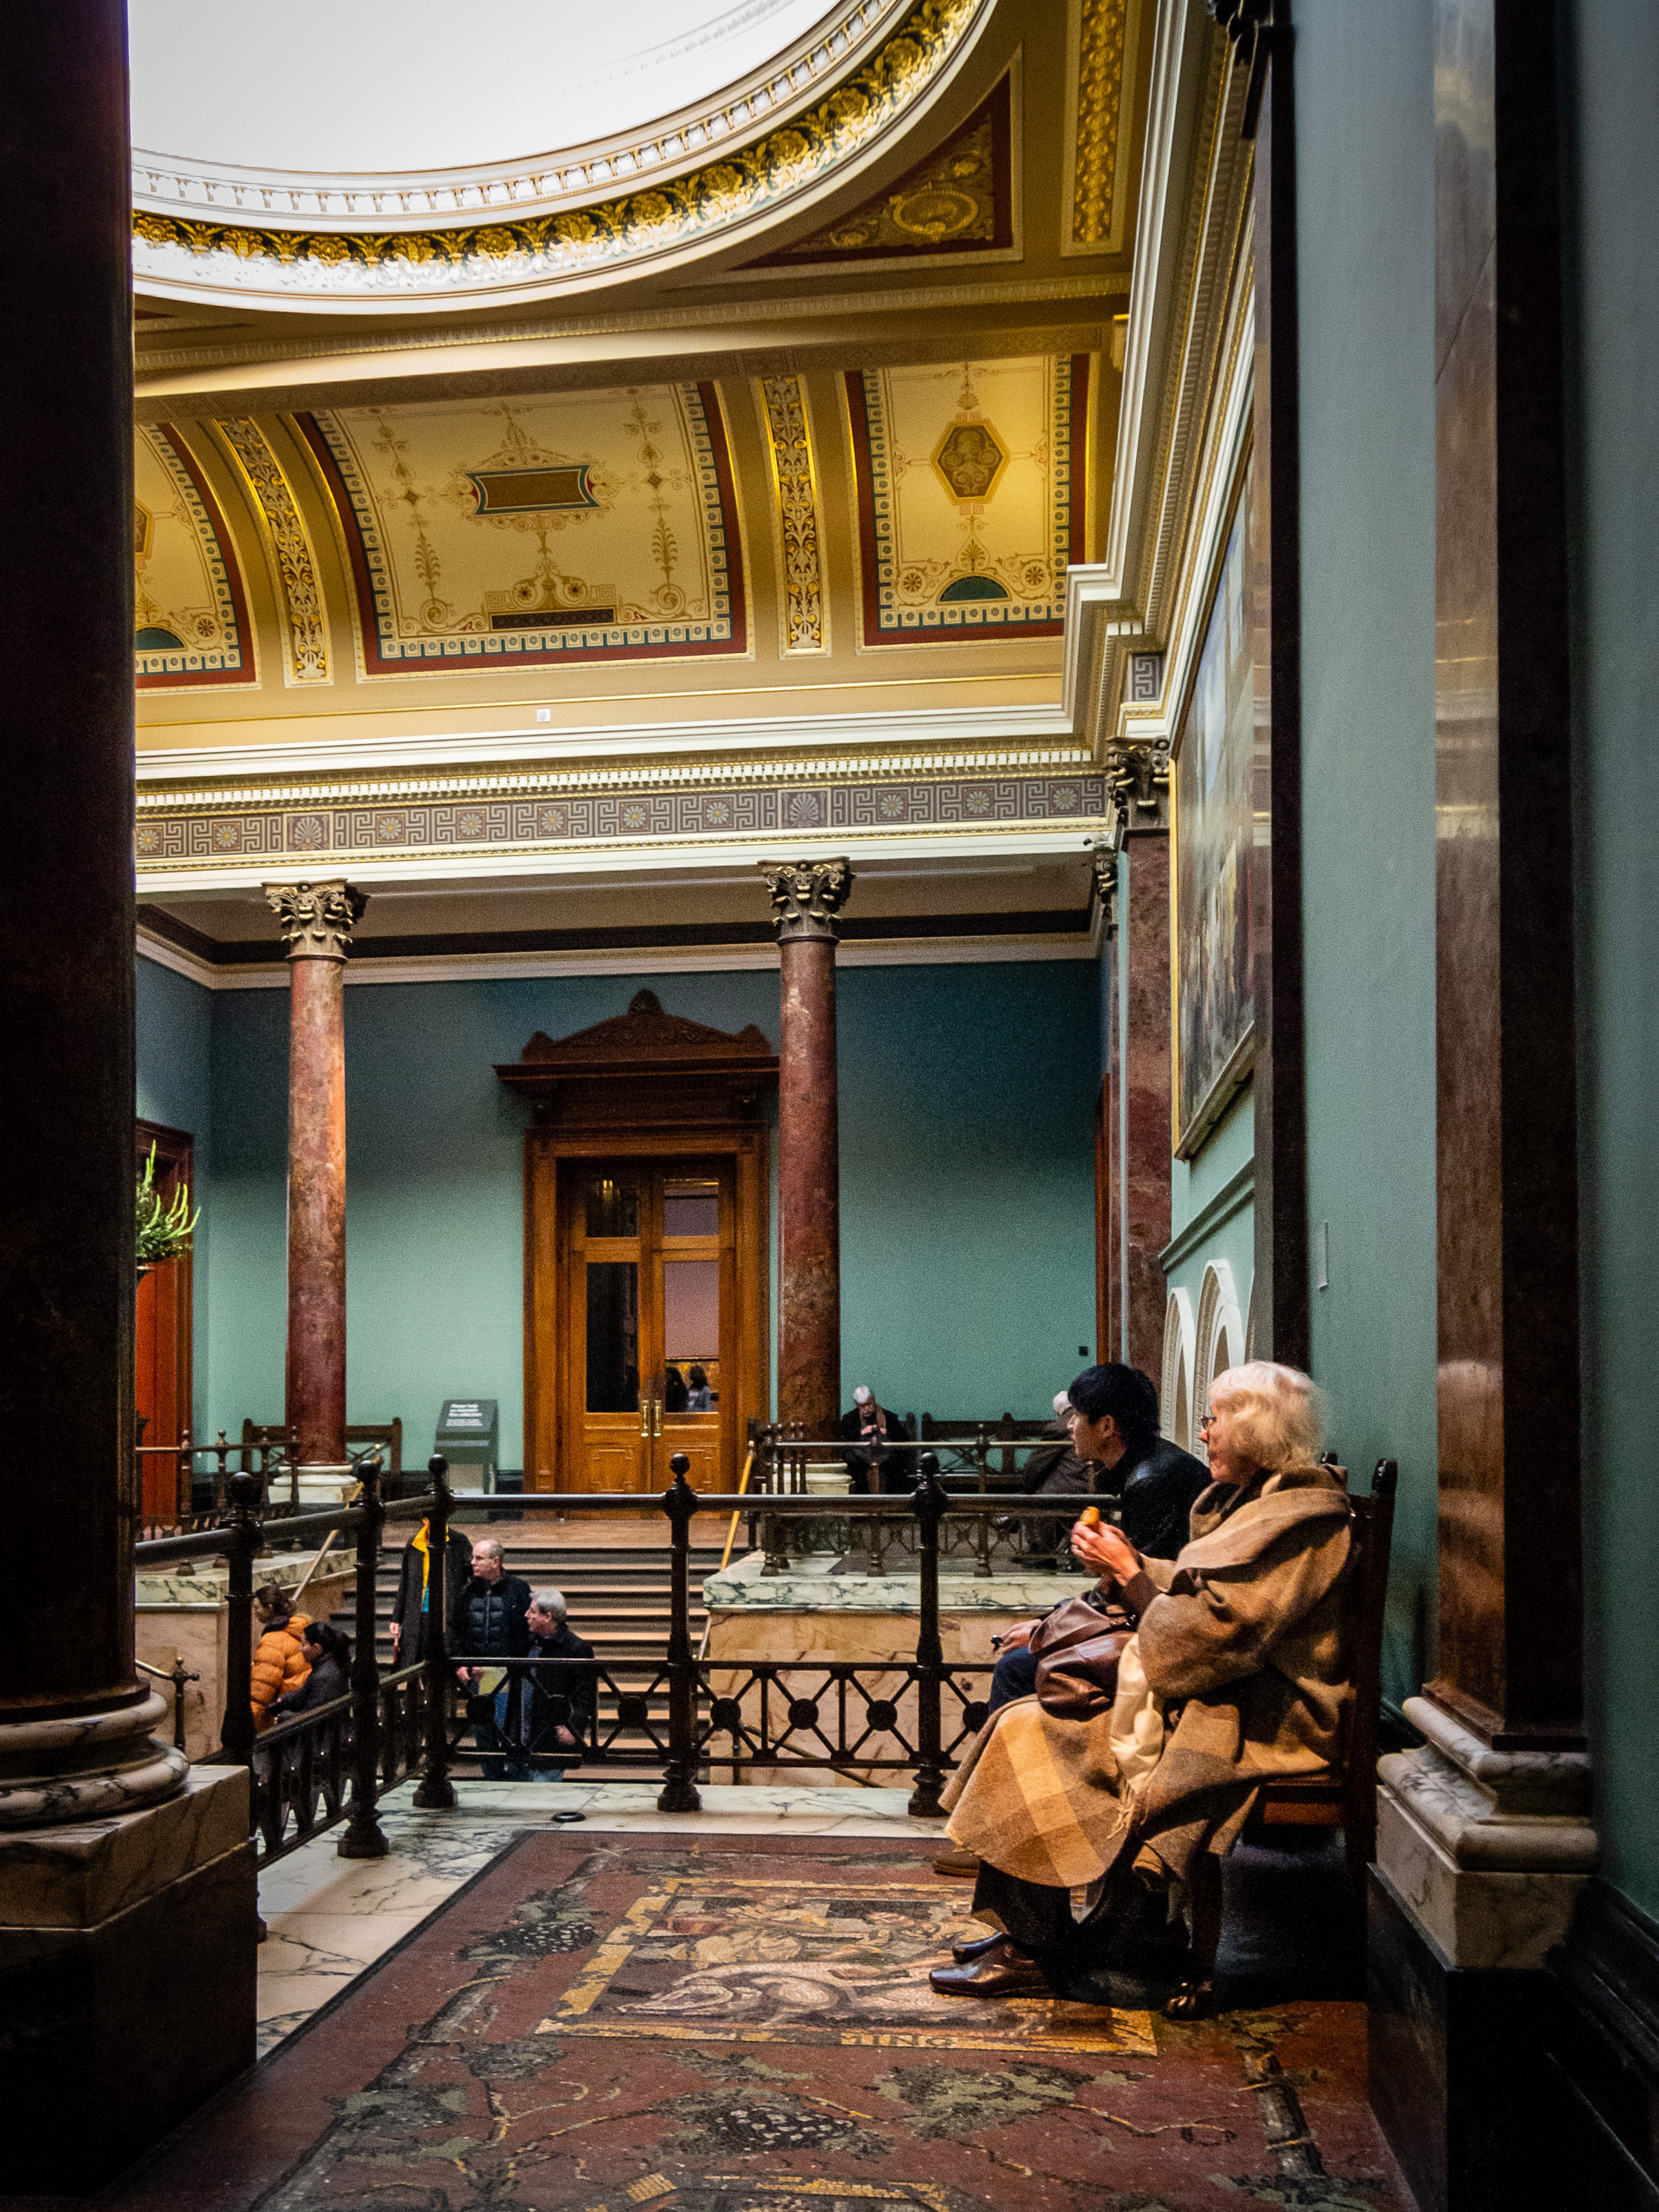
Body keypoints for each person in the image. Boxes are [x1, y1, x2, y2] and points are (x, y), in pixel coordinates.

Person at [933, 1362, 1351, 2016]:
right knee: (1029, 1713)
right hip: (1223, 1699)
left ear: (1252, 1429)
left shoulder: (1298, 1519)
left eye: (1214, 1419)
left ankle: (1034, 1948)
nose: (1204, 1433)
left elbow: (1220, 1637)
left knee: (1031, 1729)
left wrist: (1128, 1574)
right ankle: (1072, 1933)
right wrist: (1128, 1564)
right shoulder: (1258, 1503)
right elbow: (1198, 1591)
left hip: (1259, 1717)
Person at [987, 1365, 1210, 1710]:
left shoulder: (1151, 1481)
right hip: (1163, 1625)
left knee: (1014, 1669)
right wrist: (1046, 1622)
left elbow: (1141, 1591)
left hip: (1176, 1647)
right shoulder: (1148, 1464)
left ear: (1107, 1426)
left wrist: (1043, 1633)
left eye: (1078, 1416)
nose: (1071, 1426)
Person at [451, 1539, 533, 1778]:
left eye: (479, 1558)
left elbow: (527, 1630)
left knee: (510, 1728)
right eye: (473, 1557)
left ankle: (515, 1778)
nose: (472, 1563)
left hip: (510, 1671)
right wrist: (462, 1662)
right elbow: (458, 1630)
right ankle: (491, 1777)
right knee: (484, 1730)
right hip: (480, 1672)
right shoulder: (467, 1592)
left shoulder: (518, 1588)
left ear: (495, 1561)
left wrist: (519, 1664)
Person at [519, 1587, 596, 1780]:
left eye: (533, 1612)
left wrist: (572, 1726)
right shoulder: (529, 1643)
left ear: (548, 1617)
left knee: (544, 1787)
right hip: (525, 1731)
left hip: (551, 1734)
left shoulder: (576, 1648)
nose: (526, 1615)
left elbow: (585, 1694)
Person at [390, 1514, 473, 1666]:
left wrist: (461, 1602)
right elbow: (405, 1581)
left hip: (446, 1614)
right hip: (417, 1614)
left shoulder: (458, 1542)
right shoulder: (414, 1544)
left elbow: (472, 1576)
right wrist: (397, 1617)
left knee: (443, 1661)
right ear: (424, 1521)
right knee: (413, 1662)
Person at [250, 1585, 311, 1729]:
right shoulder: (297, 1629)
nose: (255, 1612)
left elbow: (261, 1692)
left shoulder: (273, 1641)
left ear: (269, 1607)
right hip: (299, 1706)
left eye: (257, 1607)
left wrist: (252, 1727)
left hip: (282, 1714)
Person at [838, 1384, 913, 1494]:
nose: (866, 1409)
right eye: (862, 1406)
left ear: (873, 1400)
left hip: (887, 1462)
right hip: (860, 1464)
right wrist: (861, 1432)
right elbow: (844, 1441)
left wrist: (887, 1433)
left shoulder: (889, 1417)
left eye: (869, 1404)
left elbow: (903, 1440)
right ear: (857, 1405)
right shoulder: (850, 1418)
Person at [269, 1623, 350, 1718]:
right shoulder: (324, 1665)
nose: (300, 1649)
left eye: (303, 1645)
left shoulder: (324, 1676)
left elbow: (312, 1717)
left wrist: (282, 1716)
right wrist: (283, 1700)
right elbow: (303, 1694)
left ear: (316, 1648)